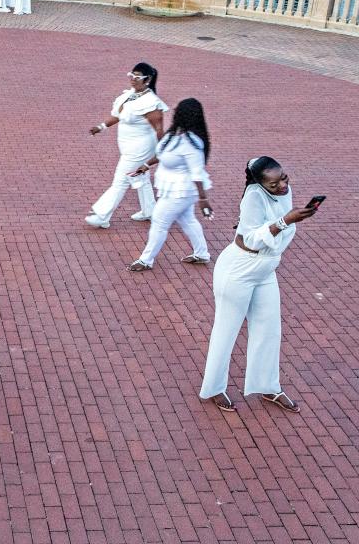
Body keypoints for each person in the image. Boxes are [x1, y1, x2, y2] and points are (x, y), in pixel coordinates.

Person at [199, 157, 319, 413]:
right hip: (239, 269)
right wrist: (286, 220)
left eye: (283, 178)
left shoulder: (285, 190)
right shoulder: (253, 196)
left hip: (266, 270)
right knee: (226, 331)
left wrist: (291, 217)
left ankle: (268, 387)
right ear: (260, 184)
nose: (282, 186)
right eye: (273, 184)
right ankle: (214, 388)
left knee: (269, 329)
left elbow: (280, 225)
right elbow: (252, 240)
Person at [127, 98, 213, 271]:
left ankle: (146, 260)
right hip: (172, 188)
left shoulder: (193, 143)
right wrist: (145, 166)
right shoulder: (175, 134)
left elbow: (197, 172)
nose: (174, 113)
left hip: (182, 191)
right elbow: (163, 154)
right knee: (187, 220)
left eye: (177, 111)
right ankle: (202, 253)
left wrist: (203, 200)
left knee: (159, 221)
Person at [86, 63, 166, 228]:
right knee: (141, 177)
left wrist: (161, 152)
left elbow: (159, 131)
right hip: (127, 146)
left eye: (138, 77)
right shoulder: (129, 95)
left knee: (121, 181)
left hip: (141, 148)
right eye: (132, 75)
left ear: (148, 80)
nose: (133, 80)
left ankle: (101, 216)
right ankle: (150, 211)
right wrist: (101, 127)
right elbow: (119, 115)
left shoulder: (152, 103)